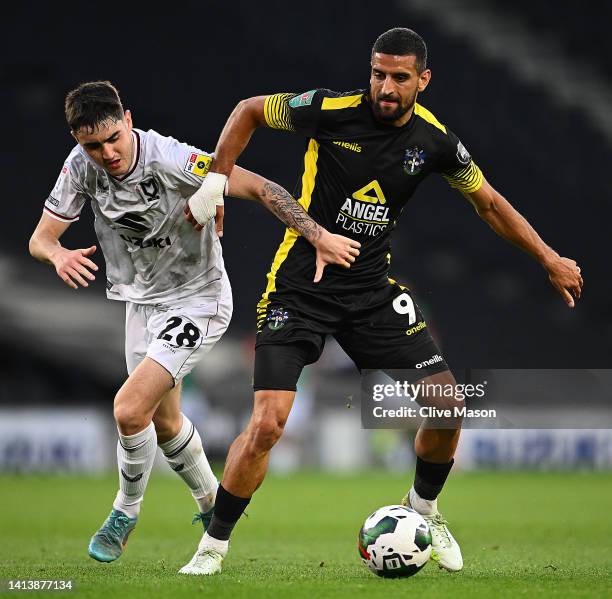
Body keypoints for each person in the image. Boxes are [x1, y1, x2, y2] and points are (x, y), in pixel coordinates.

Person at [183, 27, 583, 576]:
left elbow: (488, 203)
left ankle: (423, 511)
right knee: (269, 423)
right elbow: (249, 110)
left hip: (372, 293)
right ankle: (212, 548)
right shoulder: (332, 110)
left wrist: (547, 257)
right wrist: (216, 179)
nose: (385, 87)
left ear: (423, 80)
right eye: (378, 74)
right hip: (299, 288)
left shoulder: (435, 141)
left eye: (399, 77)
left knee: (447, 406)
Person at [28, 81, 356, 569]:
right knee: (163, 423)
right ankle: (211, 506)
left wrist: (319, 235)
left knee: (128, 410)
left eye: (114, 138)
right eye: (93, 145)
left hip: (198, 301)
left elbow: (263, 188)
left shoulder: (172, 160)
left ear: (129, 119)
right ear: (79, 142)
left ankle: (124, 512)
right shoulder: (80, 168)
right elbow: (41, 237)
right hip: (140, 303)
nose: (107, 153)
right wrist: (56, 253)